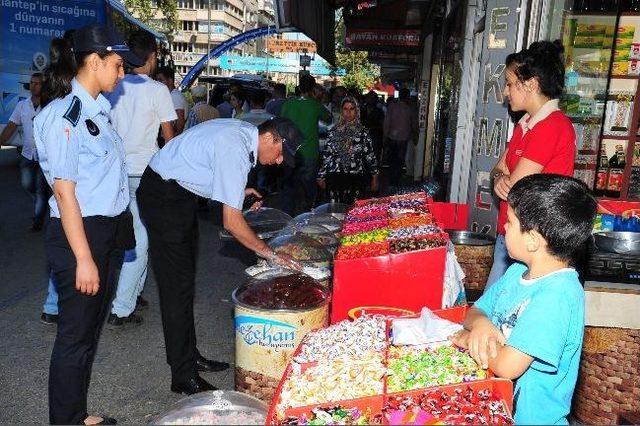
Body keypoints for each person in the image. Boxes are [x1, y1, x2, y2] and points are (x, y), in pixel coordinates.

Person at [136, 118, 302, 395]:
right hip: (163, 197)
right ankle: (182, 375)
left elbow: (208, 168)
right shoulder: (235, 148)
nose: (278, 161)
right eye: (281, 153)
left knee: (185, 284)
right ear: (271, 138)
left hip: (178, 192)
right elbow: (231, 222)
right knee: (176, 288)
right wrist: (270, 254)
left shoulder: (242, 136)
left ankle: (188, 356)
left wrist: (239, 192)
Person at [33, 24, 143, 425]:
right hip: (81, 236)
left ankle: (75, 415)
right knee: (74, 338)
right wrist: (84, 258)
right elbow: (65, 194)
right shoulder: (65, 116)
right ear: (93, 61)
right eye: (117, 65)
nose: (122, 74)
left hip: (106, 231)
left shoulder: (99, 111)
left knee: (88, 334)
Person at [451, 174, 597, 424]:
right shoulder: (517, 272)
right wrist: (482, 326)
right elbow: (475, 312)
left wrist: (467, 339)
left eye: (510, 221)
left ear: (532, 240)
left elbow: (508, 366)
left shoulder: (558, 296)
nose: (505, 227)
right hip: (497, 407)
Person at [486, 40, 576, 289]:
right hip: (513, 234)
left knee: (496, 314)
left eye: (510, 84)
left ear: (531, 84)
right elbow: (498, 170)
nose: (506, 92)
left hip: (534, 242)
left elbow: (515, 185)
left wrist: (503, 180)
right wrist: (497, 178)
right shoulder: (525, 123)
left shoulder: (552, 126)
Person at [106, 30, 178, 328]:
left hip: (118, 172)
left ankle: (131, 296)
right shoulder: (158, 90)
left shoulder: (114, 86)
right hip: (147, 174)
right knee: (141, 240)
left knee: (134, 236)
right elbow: (168, 135)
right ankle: (120, 308)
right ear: (152, 57)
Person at [0, 72, 47, 231]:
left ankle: (38, 220)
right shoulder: (22, 106)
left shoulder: (49, 106)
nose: (34, 85)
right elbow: (11, 126)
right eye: (32, 83)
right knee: (26, 184)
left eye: (37, 83)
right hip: (27, 154)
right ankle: (41, 202)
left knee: (41, 189)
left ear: (43, 85)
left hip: (44, 156)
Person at [280, 74, 332, 215]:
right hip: (309, 153)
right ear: (312, 88)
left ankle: (287, 217)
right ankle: (307, 216)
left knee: (289, 187)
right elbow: (329, 118)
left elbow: (281, 122)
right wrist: (317, 99)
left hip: (289, 152)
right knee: (309, 188)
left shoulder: (288, 103)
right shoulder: (315, 105)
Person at [317, 97, 379, 204]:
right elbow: (327, 155)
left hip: (355, 177)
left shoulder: (363, 133)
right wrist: (321, 176)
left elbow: (370, 156)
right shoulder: (333, 131)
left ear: (357, 111)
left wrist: (375, 177)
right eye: (345, 109)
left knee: (353, 213)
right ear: (341, 111)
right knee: (335, 212)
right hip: (335, 175)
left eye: (352, 109)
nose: (348, 112)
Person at [383, 88, 418, 187]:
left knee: (392, 159)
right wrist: (415, 135)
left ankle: (392, 180)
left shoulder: (392, 106)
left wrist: (385, 136)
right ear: (407, 96)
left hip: (391, 137)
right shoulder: (410, 108)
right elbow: (414, 124)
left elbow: (386, 123)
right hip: (403, 138)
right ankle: (396, 180)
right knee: (399, 160)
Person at [156, 66, 188, 134]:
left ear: (170, 81)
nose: (158, 83)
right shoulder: (171, 95)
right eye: (157, 80)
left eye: (161, 80)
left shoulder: (175, 96)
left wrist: (174, 140)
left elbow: (180, 123)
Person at [360, 91, 385, 160]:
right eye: (369, 98)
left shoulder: (379, 112)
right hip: (362, 136)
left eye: (373, 98)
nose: (371, 100)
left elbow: (382, 125)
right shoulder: (361, 110)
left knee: (375, 156)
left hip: (375, 137)